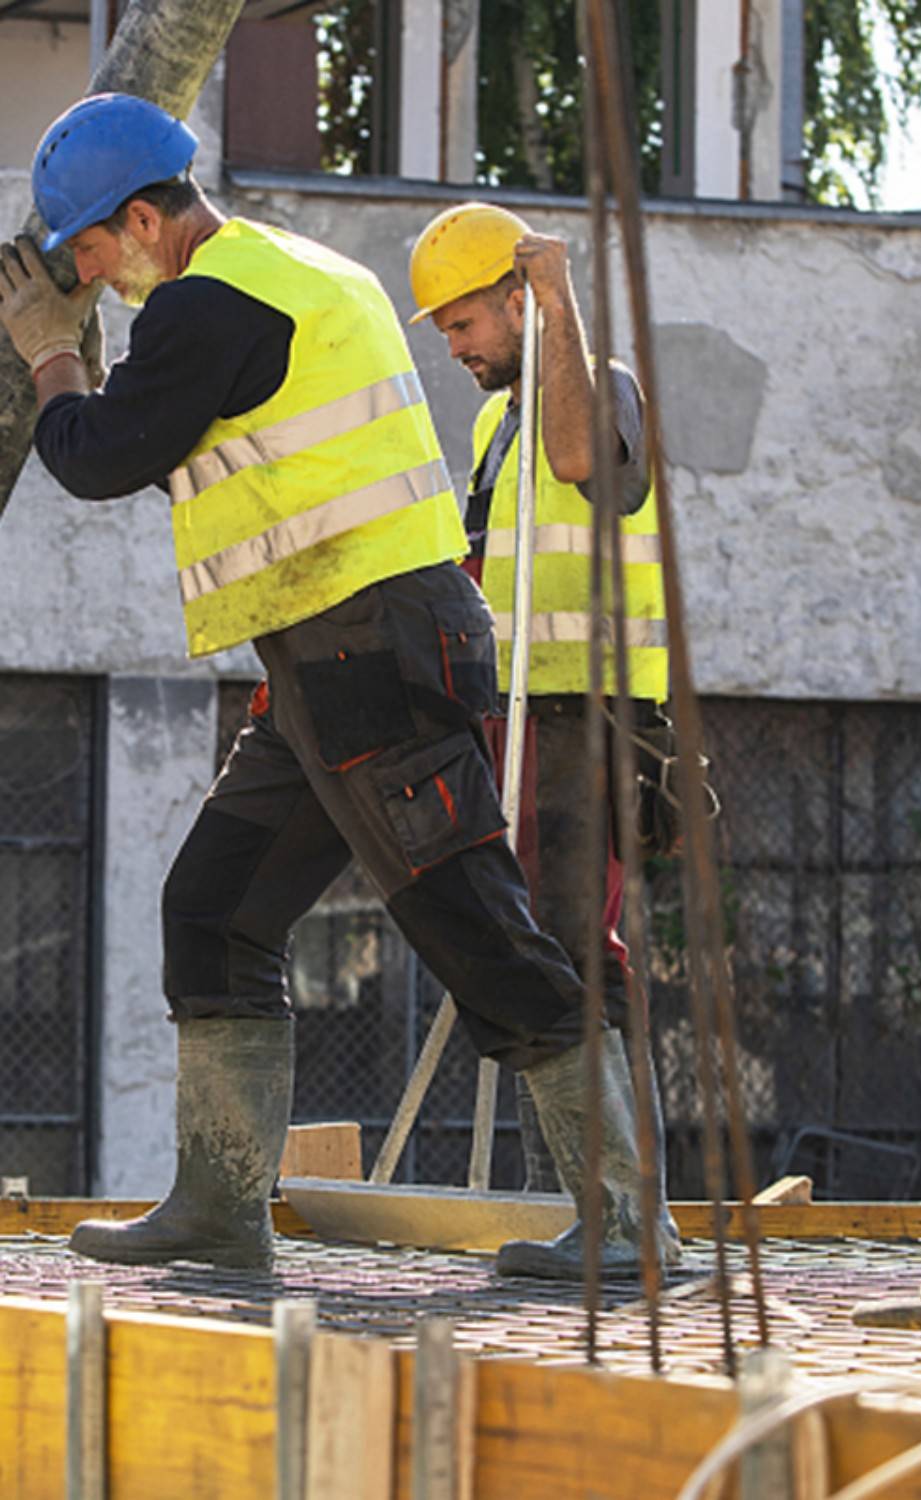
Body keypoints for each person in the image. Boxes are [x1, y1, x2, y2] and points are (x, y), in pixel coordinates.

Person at [0, 94, 661, 1279]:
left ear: (144, 220)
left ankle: (630, 1224)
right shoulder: (294, 273)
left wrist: (52, 356)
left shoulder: (206, 303)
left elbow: (97, 461)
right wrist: (92, 370)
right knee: (214, 911)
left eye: (91, 254)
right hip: (337, 656)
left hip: (366, 654)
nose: (89, 278)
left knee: (480, 933)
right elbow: (200, 457)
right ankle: (220, 1205)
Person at [407, 203, 679, 1278]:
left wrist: (562, 304)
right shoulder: (491, 423)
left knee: (574, 958)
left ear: (520, 300)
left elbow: (585, 460)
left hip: (592, 714)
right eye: (444, 331)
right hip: (520, 717)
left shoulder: (597, 383)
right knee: (549, 957)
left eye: (466, 321)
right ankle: (599, 1211)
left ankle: (625, 1227)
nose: (456, 346)